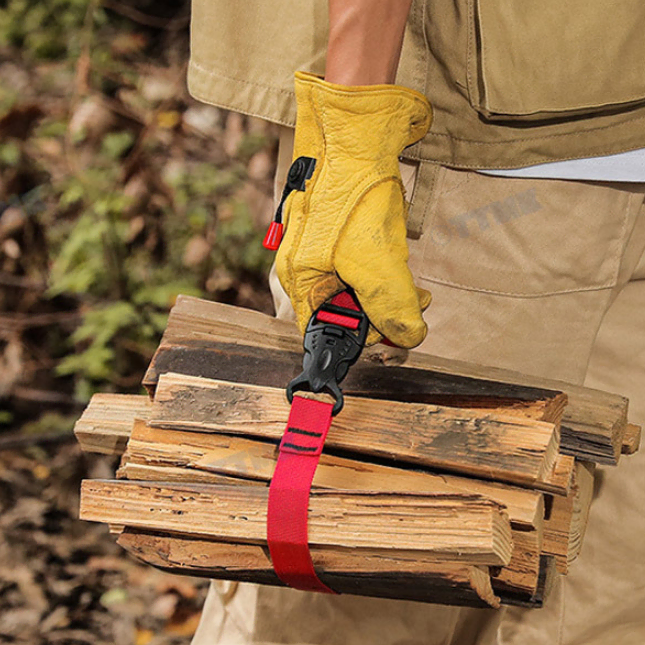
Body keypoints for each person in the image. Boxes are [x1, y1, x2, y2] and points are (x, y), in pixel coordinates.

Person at [187, 1, 645, 643]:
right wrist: (355, 132)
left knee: (606, 611)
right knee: (362, 597)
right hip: (480, 145)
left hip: (602, 100)